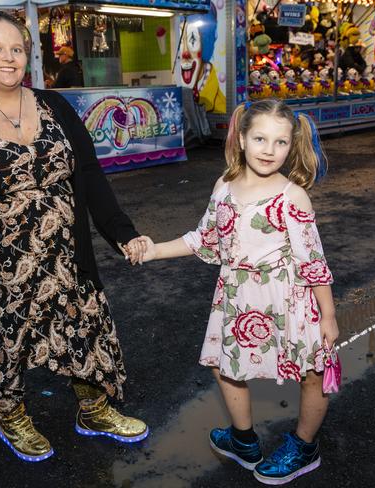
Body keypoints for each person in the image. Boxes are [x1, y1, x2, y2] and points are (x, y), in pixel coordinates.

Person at [0, 10, 149, 463]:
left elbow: (90, 177)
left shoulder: (55, 108)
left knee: (83, 331)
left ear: (29, 56)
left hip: (64, 256)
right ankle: (13, 416)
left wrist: (121, 233)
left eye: (17, 48)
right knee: (2, 346)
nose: (9, 58)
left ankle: (95, 409)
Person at [131, 99, 339, 485]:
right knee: (223, 364)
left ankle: (304, 445)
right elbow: (206, 238)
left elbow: (313, 262)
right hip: (237, 294)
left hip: (289, 298)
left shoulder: (292, 196)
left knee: (311, 372)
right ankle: (243, 441)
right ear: (241, 138)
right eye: (260, 138)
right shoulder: (223, 185)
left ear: (291, 146)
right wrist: (154, 250)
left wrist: (328, 316)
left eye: (280, 142)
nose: (269, 150)